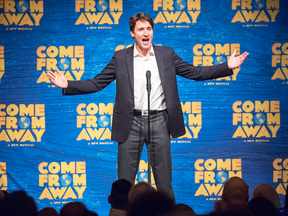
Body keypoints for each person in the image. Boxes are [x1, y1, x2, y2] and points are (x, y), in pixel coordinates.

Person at [47, 12, 249, 201]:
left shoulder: (166, 54)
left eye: (149, 29)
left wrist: (227, 67)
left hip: (160, 121)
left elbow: (195, 72)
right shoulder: (120, 57)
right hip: (130, 123)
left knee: (164, 183)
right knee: (124, 184)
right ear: (132, 33)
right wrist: (68, 85)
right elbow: (98, 82)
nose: (146, 33)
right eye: (141, 29)